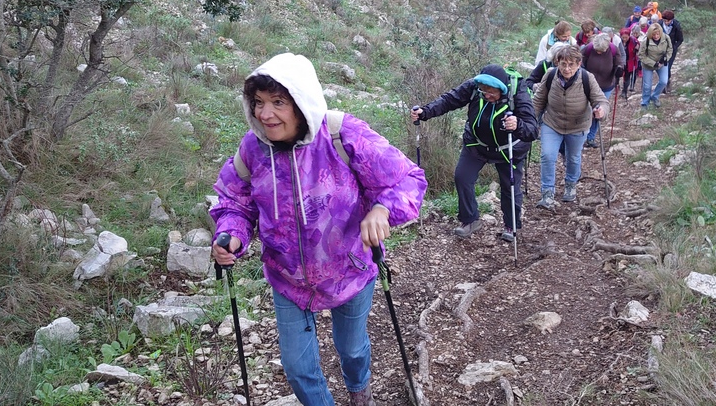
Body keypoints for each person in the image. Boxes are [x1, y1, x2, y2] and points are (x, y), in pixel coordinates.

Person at [210, 53, 427, 406]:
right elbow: (233, 201)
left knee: (352, 349)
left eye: (278, 102)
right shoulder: (253, 149)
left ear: (301, 102)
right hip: (287, 277)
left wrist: (382, 210)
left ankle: (360, 393)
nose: (265, 114)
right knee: (297, 368)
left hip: (351, 269)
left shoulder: (342, 133)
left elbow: (408, 179)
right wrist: (231, 232)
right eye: (259, 103)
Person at [411, 65, 538, 242]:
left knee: (509, 186)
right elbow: (450, 100)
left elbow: (532, 130)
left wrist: (518, 125)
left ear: (501, 89)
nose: (486, 95)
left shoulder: (518, 93)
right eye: (483, 91)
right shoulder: (474, 87)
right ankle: (470, 220)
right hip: (477, 143)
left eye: (491, 92)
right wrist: (425, 112)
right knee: (462, 177)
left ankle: (512, 225)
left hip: (509, 147)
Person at [531, 46, 609, 207]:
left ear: (579, 64)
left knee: (573, 158)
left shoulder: (587, 78)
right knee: (547, 156)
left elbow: (600, 100)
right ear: (557, 63)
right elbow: (538, 100)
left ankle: (570, 185)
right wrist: (529, 119)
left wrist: (601, 110)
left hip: (578, 126)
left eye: (571, 64)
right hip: (552, 123)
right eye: (563, 64)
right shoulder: (550, 75)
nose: (567, 68)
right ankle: (547, 193)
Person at [581, 33, 622, 148]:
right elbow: (580, 60)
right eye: (597, 50)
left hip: (606, 85)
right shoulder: (589, 48)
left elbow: (619, 62)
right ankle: (582, 136)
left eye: (601, 51)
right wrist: (582, 69)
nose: (598, 52)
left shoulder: (613, 50)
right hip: (588, 85)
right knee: (586, 110)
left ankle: (590, 138)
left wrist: (619, 69)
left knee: (597, 111)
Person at [637, 23, 674, 109]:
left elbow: (670, 50)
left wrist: (665, 59)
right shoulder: (645, 41)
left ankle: (655, 96)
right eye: (654, 34)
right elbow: (641, 55)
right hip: (648, 64)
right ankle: (645, 103)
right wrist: (653, 63)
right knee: (647, 86)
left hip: (662, 63)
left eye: (658, 34)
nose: (656, 36)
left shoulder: (666, 38)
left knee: (664, 81)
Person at [660, 10, 684, 93]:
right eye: (664, 21)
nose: (666, 22)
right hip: (660, 49)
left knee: (668, 66)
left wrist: (674, 47)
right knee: (662, 66)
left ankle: (666, 83)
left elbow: (681, 39)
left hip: (671, 50)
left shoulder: (676, 26)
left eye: (668, 21)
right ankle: (663, 82)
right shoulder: (659, 24)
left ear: (672, 20)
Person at [619, 27, 640, 100]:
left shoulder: (633, 41)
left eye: (626, 37)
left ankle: (624, 91)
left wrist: (637, 49)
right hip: (621, 61)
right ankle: (617, 87)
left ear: (629, 36)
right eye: (623, 37)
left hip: (630, 61)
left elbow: (639, 47)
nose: (624, 39)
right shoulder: (618, 41)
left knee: (627, 77)